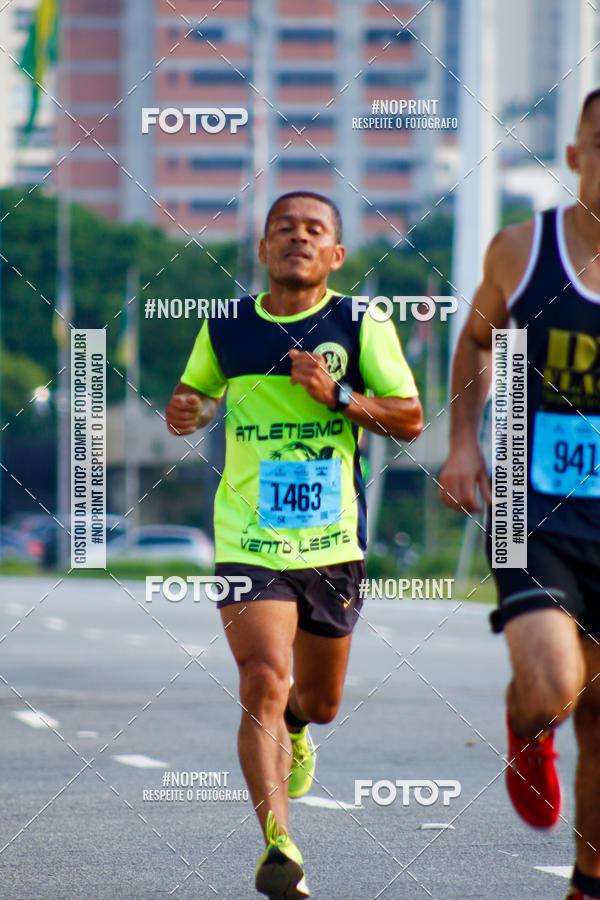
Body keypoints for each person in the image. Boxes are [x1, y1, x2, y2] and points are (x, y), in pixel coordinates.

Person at [165, 191, 422, 899]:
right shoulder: (226, 328)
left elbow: (410, 419)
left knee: (317, 699)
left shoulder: (361, 324)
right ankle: (279, 845)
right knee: (261, 682)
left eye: (315, 231)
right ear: (263, 249)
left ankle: (301, 729)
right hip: (249, 539)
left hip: (333, 540)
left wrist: (338, 397)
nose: (299, 239)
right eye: (285, 229)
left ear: (336, 255)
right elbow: (190, 401)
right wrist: (187, 411)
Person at [439, 90, 600, 900]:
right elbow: (475, 343)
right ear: (574, 156)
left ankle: (587, 880)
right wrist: (465, 444)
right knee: (553, 688)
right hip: (527, 511)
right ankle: (524, 719)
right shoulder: (521, 251)